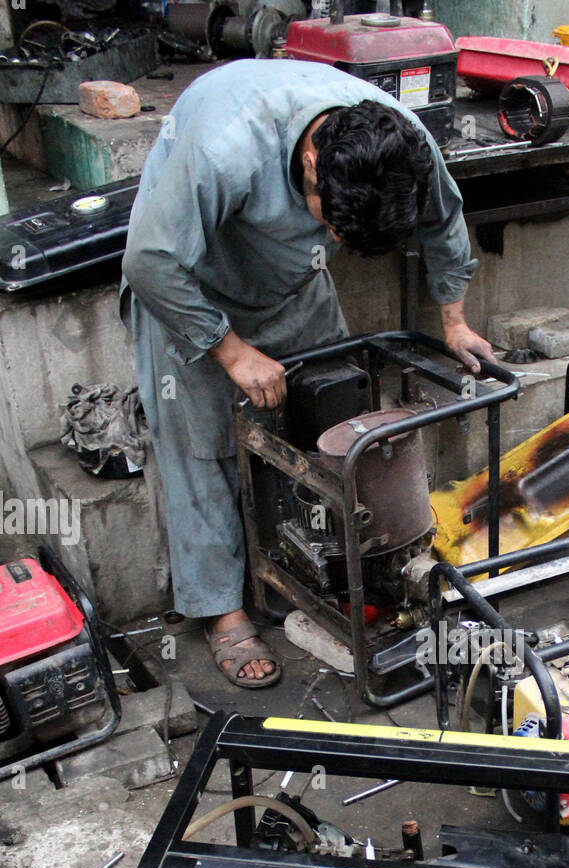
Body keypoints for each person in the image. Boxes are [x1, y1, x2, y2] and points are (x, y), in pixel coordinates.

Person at [122, 58, 492, 687]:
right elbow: (150, 261)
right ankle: (224, 611)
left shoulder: (400, 144)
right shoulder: (224, 149)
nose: (339, 240)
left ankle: (314, 577)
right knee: (203, 446)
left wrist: (454, 320)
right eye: (334, 222)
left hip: (295, 284)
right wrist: (232, 353)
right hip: (193, 290)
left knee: (334, 420)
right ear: (314, 164)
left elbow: (443, 220)